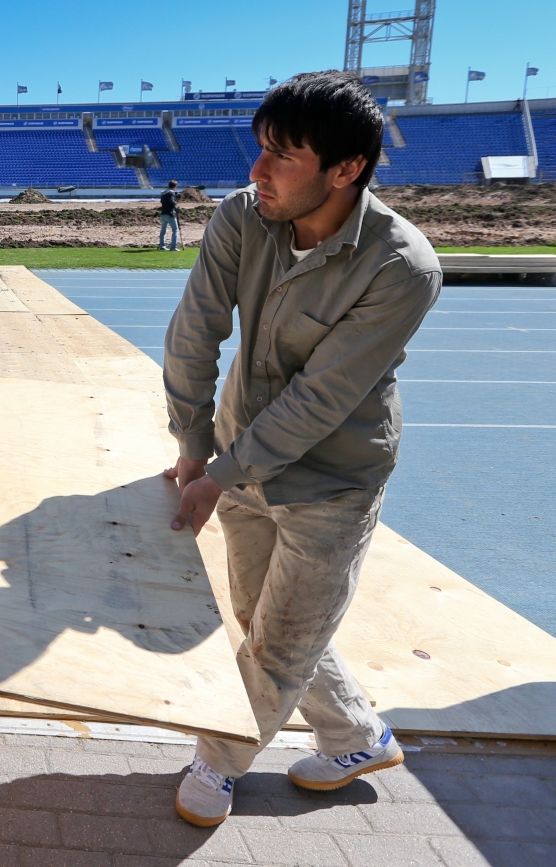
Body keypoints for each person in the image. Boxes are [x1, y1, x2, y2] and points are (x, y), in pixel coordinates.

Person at [159, 71, 440, 827]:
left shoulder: (401, 267)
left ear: (345, 169)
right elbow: (195, 331)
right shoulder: (242, 219)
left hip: (332, 480)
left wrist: (216, 476)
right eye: (259, 150)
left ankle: (218, 761)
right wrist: (194, 448)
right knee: (264, 623)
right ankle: (356, 736)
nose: (257, 173)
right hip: (235, 454)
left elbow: (319, 400)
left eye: (281, 156)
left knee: (280, 644)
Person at [158, 180, 180, 250]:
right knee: (175, 230)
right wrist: (176, 201)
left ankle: (162, 246)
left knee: (163, 230)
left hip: (163, 213)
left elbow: (162, 201)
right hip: (170, 214)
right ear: (175, 186)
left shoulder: (163, 193)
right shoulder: (171, 193)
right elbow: (172, 202)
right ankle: (173, 247)